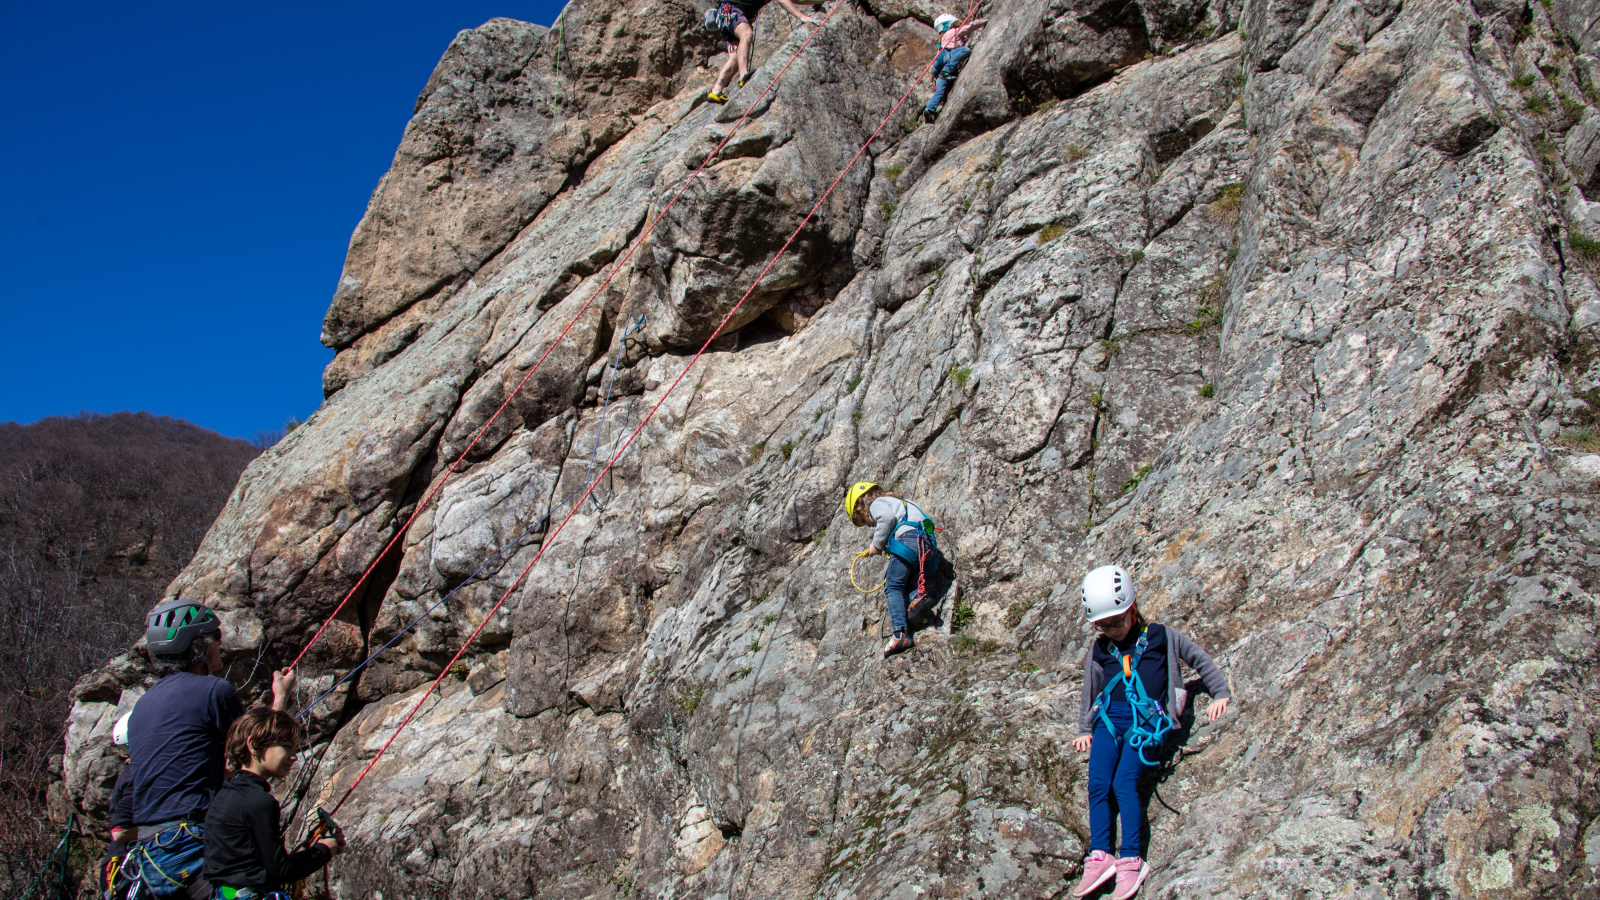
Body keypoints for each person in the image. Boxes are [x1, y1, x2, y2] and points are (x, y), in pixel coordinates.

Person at [1070, 565, 1233, 899]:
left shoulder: (1161, 636)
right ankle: (1100, 855)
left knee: (1123, 783)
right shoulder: (1100, 649)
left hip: (1144, 727)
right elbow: (1092, 687)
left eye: (1116, 621)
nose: (1111, 630)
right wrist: (1086, 727)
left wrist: (1220, 693)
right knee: (1098, 783)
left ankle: (1131, 858)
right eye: (1102, 625)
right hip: (1109, 723)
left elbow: (1198, 659)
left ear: (1132, 609)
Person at [124, 599, 297, 899]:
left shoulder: (141, 706)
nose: (220, 643)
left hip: (151, 854)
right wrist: (280, 698)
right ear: (199, 647)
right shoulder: (215, 691)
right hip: (195, 840)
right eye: (216, 637)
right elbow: (254, 753)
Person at [204, 709, 344, 900]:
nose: (294, 756)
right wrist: (325, 850)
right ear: (254, 746)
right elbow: (283, 870)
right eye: (286, 746)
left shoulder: (224, 796)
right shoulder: (259, 802)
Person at [844, 481, 956, 657]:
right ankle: (917, 603)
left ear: (863, 503)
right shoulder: (902, 503)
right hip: (925, 543)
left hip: (909, 539)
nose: (870, 525)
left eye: (864, 521)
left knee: (893, 585)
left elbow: (886, 519)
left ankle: (899, 634)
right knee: (909, 580)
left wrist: (876, 545)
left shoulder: (877, 503)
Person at [706, 0, 823, 103]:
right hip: (732, 10)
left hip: (726, 14)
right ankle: (743, 76)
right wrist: (801, 16)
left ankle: (716, 91)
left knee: (735, 58)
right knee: (746, 34)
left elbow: (796, 0)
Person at [923, 13, 989, 123]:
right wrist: (983, 21)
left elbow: (936, 62)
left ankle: (929, 110)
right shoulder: (953, 31)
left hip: (938, 65)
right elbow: (969, 27)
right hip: (946, 59)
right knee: (965, 50)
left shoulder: (942, 38)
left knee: (940, 92)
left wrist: (934, 76)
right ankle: (947, 72)